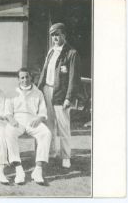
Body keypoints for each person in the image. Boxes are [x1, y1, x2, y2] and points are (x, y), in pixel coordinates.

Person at [37, 23, 81, 168]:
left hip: (61, 94)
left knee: (63, 126)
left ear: (64, 35)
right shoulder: (51, 51)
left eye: (58, 34)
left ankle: (65, 156)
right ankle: (50, 153)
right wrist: (39, 90)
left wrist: (69, 97)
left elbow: (73, 78)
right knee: (48, 125)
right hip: (47, 91)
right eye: (53, 35)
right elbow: (44, 72)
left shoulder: (71, 53)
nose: (55, 38)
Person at [4, 68, 52, 184]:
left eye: (27, 77)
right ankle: (18, 169)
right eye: (22, 77)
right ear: (18, 79)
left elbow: (43, 112)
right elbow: (7, 112)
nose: (25, 80)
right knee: (9, 132)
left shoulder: (38, 92)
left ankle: (38, 169)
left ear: (31, 77)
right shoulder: (12, 92)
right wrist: (12, 120)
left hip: (32, 120)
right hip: (17, 120)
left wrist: (39, 119)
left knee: (46, 133)